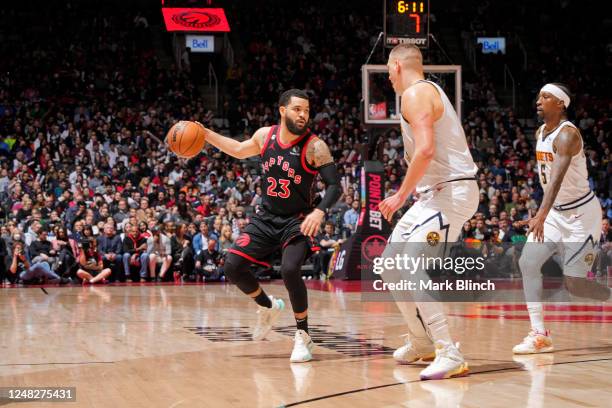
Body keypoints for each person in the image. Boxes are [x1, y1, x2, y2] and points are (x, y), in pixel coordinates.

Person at [198, 89, 341, 362]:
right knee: (232, 266)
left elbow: (334, 186)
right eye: (298, 109)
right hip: (266, 217)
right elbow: (239, 150)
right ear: (282, 110)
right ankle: (268, 306)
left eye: (307, 111)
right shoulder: (266, 136)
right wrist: (206, 134)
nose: (303, 115)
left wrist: (320, 212)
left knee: (289, 270)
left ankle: (303, 335)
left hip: (297, 221)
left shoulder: (315, 146)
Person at [379, 44, 478, 380]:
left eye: (387, 71)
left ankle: (448, 352)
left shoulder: (415, 94)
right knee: (390, 264)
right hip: (434, 195)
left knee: (409, 265)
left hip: (450, 192)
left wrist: (399, 195)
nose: (388, 78)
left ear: (395, 66)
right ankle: (422, 342)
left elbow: (425, 150)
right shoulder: (426, 91)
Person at [513, 83, 609, 354]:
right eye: (539, 95)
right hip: (556, 212)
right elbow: (547, 182)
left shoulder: (568, 136)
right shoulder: (541, 132)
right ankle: (539, 333)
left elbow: (557, 179)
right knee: (527, 262)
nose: (539, 100)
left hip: (581, 214)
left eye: (546, 97)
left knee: (576, 285)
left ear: (561, 104)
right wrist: (544, 213)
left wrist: (540, 214)